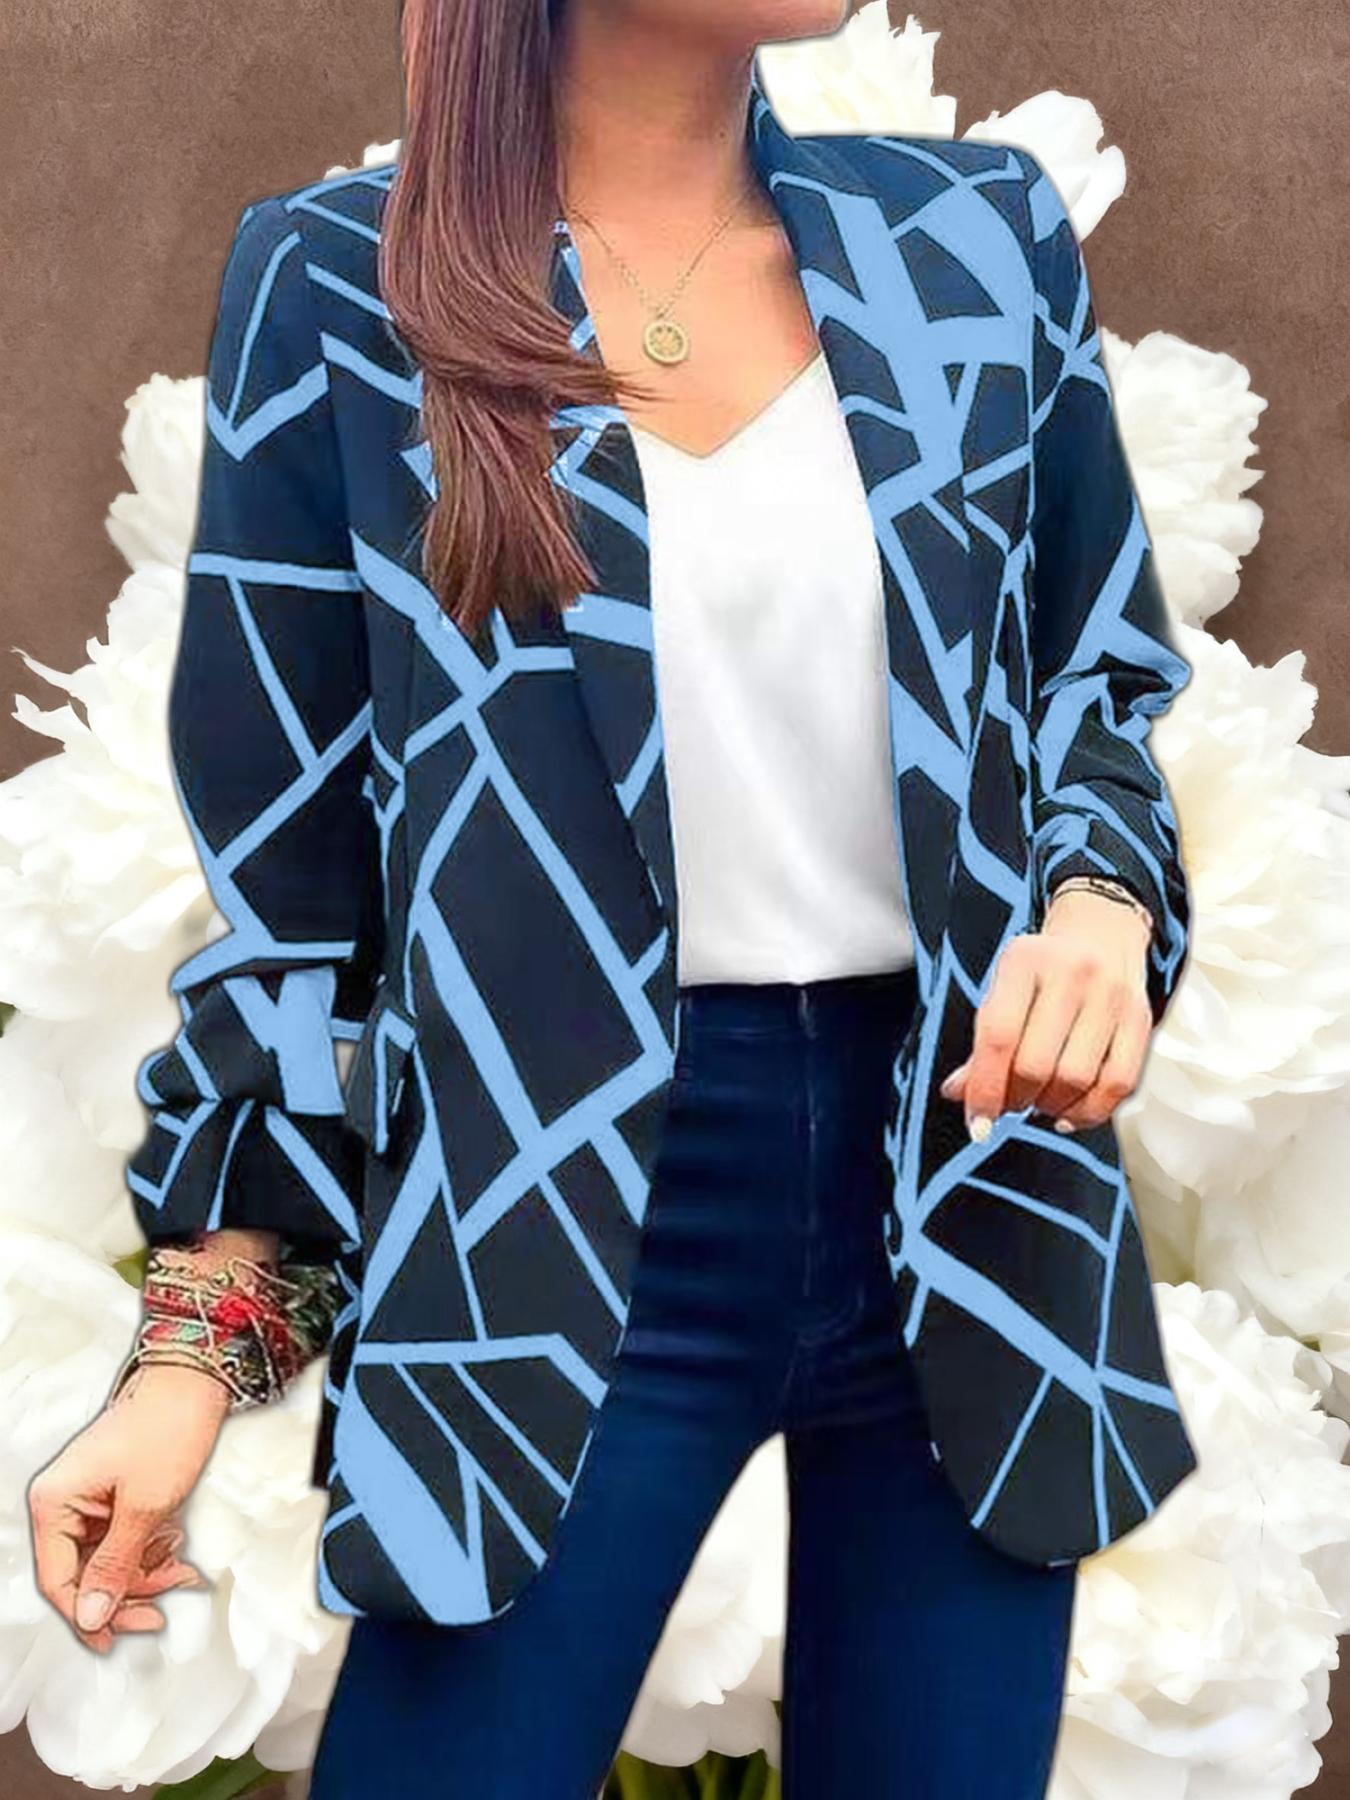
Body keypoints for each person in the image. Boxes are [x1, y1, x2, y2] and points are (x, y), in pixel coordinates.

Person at [27, 1, 1198, 1793]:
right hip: (540, 1219)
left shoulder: (973, 237)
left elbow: (1087, 681)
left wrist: (1100, 910)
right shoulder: (340, 285)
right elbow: (297, 894)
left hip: (973, 1187)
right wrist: (198, 1353)